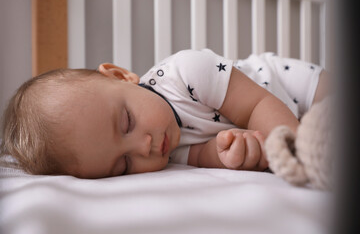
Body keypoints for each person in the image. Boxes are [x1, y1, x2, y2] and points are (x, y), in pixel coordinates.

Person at [0, 49, 328, 179]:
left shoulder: (184, 73)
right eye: (123, 165)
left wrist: (291, 150)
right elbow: (206, 154)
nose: (142, 147)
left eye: (126, 122)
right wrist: (235, 153)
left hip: (296, 86)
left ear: (120, 76)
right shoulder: (167, 156)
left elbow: (257, 106)